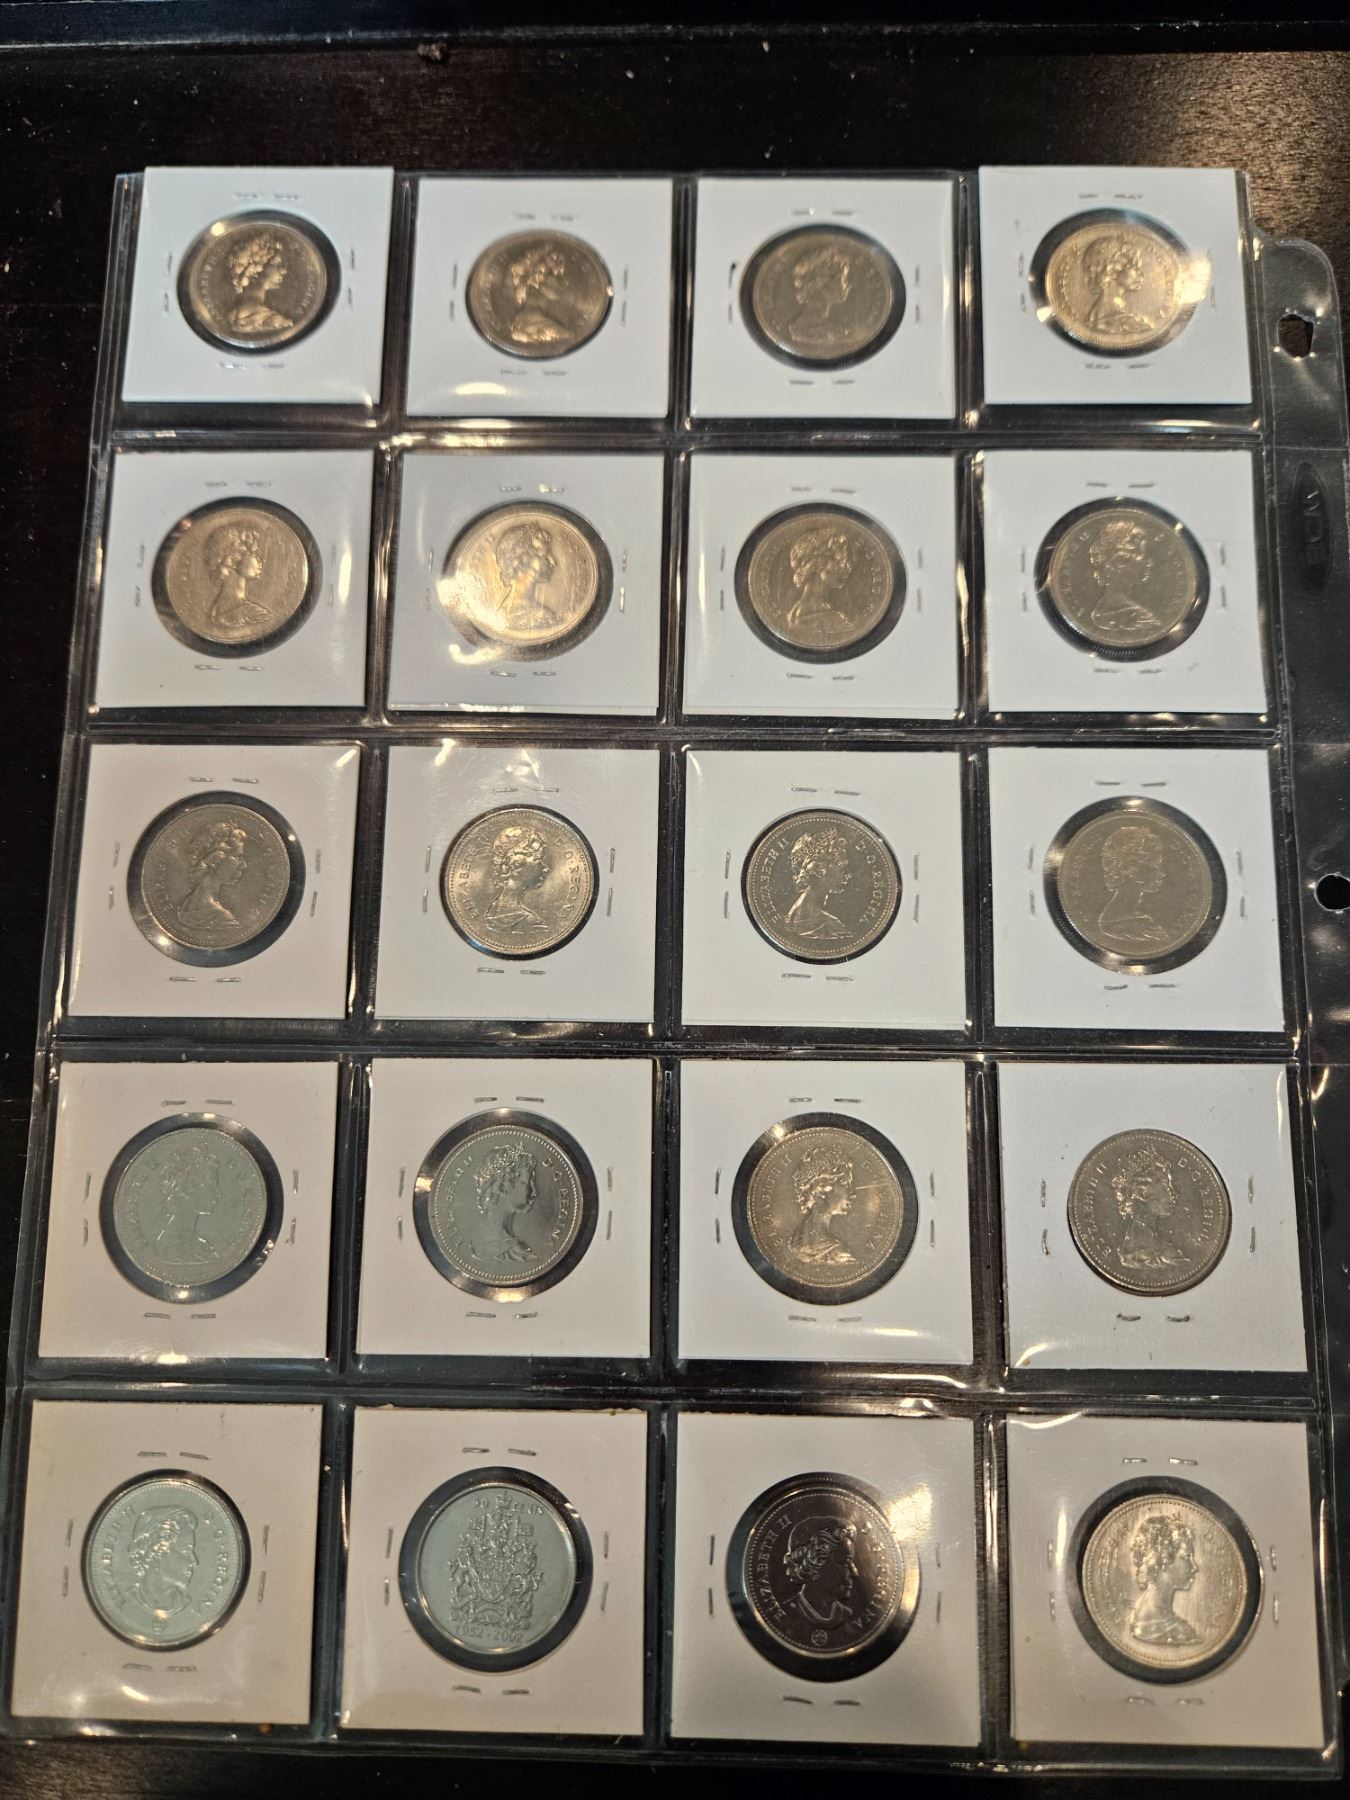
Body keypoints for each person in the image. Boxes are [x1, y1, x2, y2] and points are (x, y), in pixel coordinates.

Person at [1127, 1510, 1201, 1647]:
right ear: (1162, 1560)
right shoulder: (1151, 1625)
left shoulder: (1173, 1624)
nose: (1195, 1567)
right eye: (1186, 1557)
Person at [1082, 518, 1164, 638]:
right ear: (1120, 561)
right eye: (1142, 554)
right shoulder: (1141, 618)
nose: (1149, 562)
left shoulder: (1100, 609)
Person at [1110, 1144, 1185, 1273]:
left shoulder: (1166, 1252)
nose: (1174, 1193)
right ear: (1142, 1193)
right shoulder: (1168, 1257)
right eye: (1166, 1186)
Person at [1095, 822, 1170, 950]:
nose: (1162, 872)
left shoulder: (1136, 919)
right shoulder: (1121, 925)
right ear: (1132, 868)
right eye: (1154, 863)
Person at [782, 1513, 861, 1633]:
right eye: (845, 1562)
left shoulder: (845, 1614)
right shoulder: (790, 1611)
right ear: (815, 1565)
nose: (855, 1573)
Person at [788, 1144, 858, 1267]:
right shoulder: (840, 1255)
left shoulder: (794, 1244)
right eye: (845, 1184)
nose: (853, 1194)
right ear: (821, 1189)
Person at [176, 819, 250, 934]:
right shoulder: (223, 917)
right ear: (216, 860)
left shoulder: (185, 909)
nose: (244, 865)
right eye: (238, 857)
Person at [128, 1505, 200, 1623]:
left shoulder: (185, 1603)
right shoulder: (130, 1599)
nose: (194, 1561)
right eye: (186, 1551)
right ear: (157, 1554)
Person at [782, 826, 854, 944]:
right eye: (841, 865)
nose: (848, 874)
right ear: (819, 868)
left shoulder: (789, 920)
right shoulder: (833, 927)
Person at [471, 1143, 539, 1264]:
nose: (534, 1192)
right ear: (503, 1187)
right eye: (525, 1183)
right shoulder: (493, 1248)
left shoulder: (516, 1249)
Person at [202, 518, 270, 636]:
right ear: (232, 560)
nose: (259, 559)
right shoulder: (254, 614)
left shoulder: (216, 611)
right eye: (253, 553)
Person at [1081, 233, 1156, 340]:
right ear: (1112, 270)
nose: (1141, 274)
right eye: (1134, 266)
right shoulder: (1135, 325)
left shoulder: (1094, 317)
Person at [483, 823, 551, 938]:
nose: (546, 868)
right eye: (538, 860)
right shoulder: (530, 921)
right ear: (516, 864)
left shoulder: (493, 911)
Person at [503, 242, 577, 348]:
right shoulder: (557, 333)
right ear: (537, 281)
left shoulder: (515, 326)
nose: (563, 284)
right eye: (557, 277)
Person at [784, 523, 854, 633]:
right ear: (817, 564)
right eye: (840, 561)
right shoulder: (808, 616)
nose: (848, 567)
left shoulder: (821, 608)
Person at [491, 520, 559, 633]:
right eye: (546, 554)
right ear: (524, 561)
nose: (553, 562)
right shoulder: (543, 617)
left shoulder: (502, 613)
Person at [224, 231, 295, 337]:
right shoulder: (276, 322)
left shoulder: (231, 317)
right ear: (255, 269)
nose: (283, 271)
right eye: (277, 263)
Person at [787, 242, 853, 347]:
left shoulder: (835, 330)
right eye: (844, 278)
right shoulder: (833, 333)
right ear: (823, 281)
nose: (848, 285)